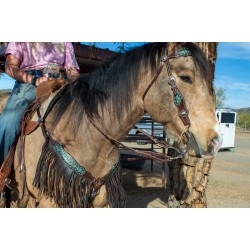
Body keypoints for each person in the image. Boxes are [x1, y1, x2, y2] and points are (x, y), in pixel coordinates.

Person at [0, 42, 80, 188]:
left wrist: (78, 84)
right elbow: (10, 66)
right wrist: (34, 80)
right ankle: (1, 173)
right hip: (29, 80)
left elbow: (71, 69)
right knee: (8, 122)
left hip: (59, 80)